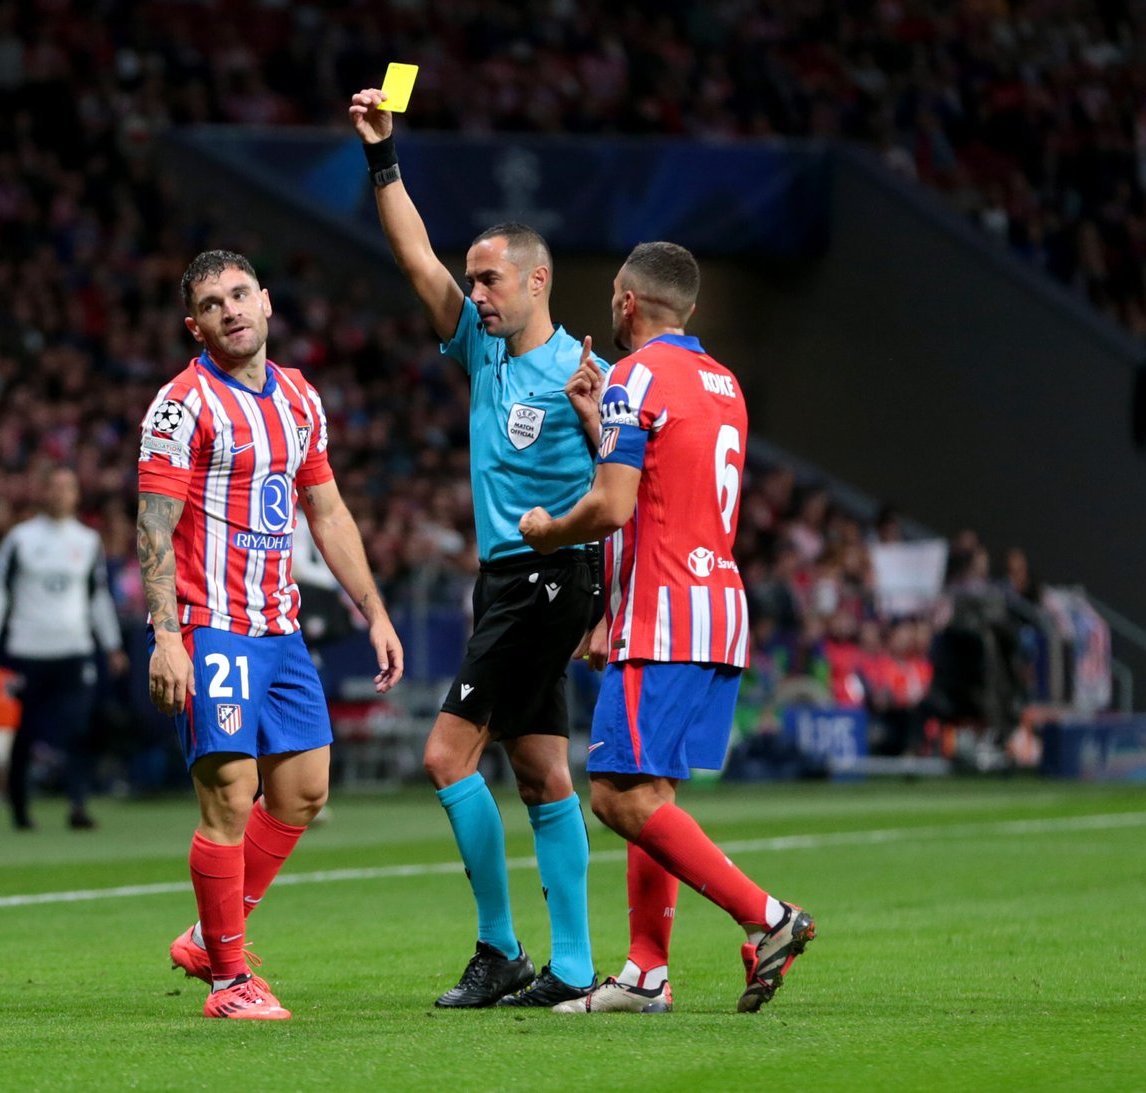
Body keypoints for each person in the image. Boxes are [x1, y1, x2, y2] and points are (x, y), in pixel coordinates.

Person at [349, 88, 605, 1008]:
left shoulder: (586, 376)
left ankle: (498, 947)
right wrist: (385, 157)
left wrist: (606, 601)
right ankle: (572, 967)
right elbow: (413, 254)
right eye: (474, 278)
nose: (476, 292)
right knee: (540, 770)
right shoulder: (481, 348)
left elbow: (626, 494)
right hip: (505, 581)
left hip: (549, 579)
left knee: (446, 757)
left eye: (490, 279)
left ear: (538, 280)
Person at [519, 242, 816, 1015]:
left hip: (665, 611)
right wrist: (597, 421)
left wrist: (549, 530)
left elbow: (615, 507)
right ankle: (646, 971)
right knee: (653, 794)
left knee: (616, 796)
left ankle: (768, 915)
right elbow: (663, 492)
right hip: (716, 609)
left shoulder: (634, 376)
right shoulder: (724, 383)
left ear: (625, 302)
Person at [137, 250, 404, 1021]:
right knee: (231, 793)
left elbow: (327, 511)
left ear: (267, 303)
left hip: (279, 627)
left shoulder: (298, 398)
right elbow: (154, 525)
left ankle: (208, 936)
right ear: (197, 324)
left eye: (241, 293)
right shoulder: (180, 407)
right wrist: (166, 636)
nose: (231, 309)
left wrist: (373, 610)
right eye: (214, 303)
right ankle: (228, 981)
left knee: (303, 790)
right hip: (211, 623)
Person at [0, 466, 128, 830]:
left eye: (67, 487)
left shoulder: (88, 540)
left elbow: (97, 596)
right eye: (54, 486)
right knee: (25, 731)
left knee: (77, 728)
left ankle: (77, 805)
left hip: (73, 647)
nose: (60, 494)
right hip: (28, 648)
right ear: (42, 492)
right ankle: (19, 808)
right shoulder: (20, 539)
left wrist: (112, 645)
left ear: (76, 495)